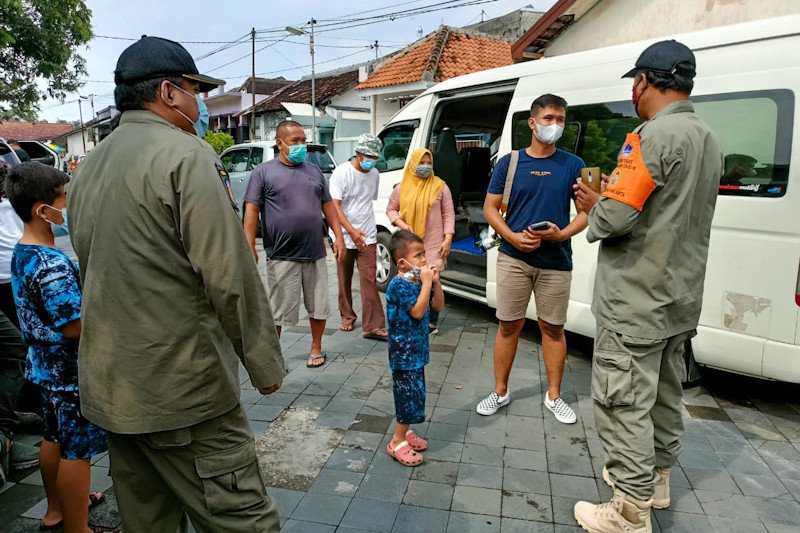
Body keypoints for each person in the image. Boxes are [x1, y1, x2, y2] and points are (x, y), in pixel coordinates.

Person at [68, 36, 285, 533]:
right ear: (168, 92)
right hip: (183, 392)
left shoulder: (88, 167)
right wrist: (263, 362)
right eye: (195, 91)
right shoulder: (184, 155)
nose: (200, 103)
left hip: (115, 390)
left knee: (148, 522)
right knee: (243, 521)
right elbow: (229, 274)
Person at [572, 40, 722, 533]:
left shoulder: (649, 137)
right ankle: (656, 482)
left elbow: (615, 217)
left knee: (623, 403)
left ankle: (629, 510)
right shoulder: (707, 137)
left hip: (636, 300)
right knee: (663, 395)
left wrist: (594, 203)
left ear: (644, 82)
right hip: (678, 299)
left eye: (634, 84)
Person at [6, 162, 107, 533]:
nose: (70, 205)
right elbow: (74, 326)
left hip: (42, 368)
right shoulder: (52, 265)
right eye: (65, 198)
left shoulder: (24, 252)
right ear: (42, 210)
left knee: (52, 438)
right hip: (67, 373)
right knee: (77, 453)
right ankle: (77, 527)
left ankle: (55, 509)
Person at [476, 94, 587, 425]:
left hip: (556, 260)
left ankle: (554, 396)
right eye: (550, 118)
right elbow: (490, 208)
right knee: (508, 325)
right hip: (513, 258)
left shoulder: (573, 165)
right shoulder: (509, 163)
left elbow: (586, 213)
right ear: (533, 122)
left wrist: (562, 234)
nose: (555, 125)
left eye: (561, 120)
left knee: (553, 329)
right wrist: (512, 237)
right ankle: (500, 391)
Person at [243, 120, 345, 368]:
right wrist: (248, 246)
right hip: (281, 254)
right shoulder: (263, 172)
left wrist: (338, 236)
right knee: (278, 310)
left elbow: (328, 206)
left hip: (314, 252)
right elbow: (251, 210)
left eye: (303, 140)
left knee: (318, 305)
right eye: (294, 141)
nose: (301, 145)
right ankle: (274, 355)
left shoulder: (314, 171)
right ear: (280, 144)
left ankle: (316, 348)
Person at [384, 230, 443, 466]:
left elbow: (437, 305)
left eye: (424, 255)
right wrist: (427, 283)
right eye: (419, 256)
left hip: (417, 351)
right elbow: (418, 312)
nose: (425, 261)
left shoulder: (419, 281)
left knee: (416, 394)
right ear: (402, 262)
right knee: (407, 396)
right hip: (403, 354)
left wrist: (435, 284)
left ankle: (406, 432)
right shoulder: (398, 285)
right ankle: (396, 441)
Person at [386, 148, 454, 333]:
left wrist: (447, 238)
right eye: (421, 163)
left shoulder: (440, 186)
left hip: (434, 242)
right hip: (411, 243)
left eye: (428, 163)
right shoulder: (402, 187)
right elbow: (391, 209)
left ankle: (432, 321)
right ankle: (414, 314)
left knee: (433, 278)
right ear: (413, 164)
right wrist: (401, 224)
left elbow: (448, 214)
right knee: (413, 279)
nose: (425, 166)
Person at [330, 133, 388, 340]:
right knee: (343, 278)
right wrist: (351, 232)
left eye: (374, 157)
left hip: (368, 235)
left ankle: (373, 325)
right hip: (343, 235)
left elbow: (366, 202)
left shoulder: (374, 174)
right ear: (358, 154)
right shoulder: (341, 173)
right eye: (368, 156)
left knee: (369, 279)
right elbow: (335, 208)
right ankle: (347, 315)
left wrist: (360, 232)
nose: (371, 160)